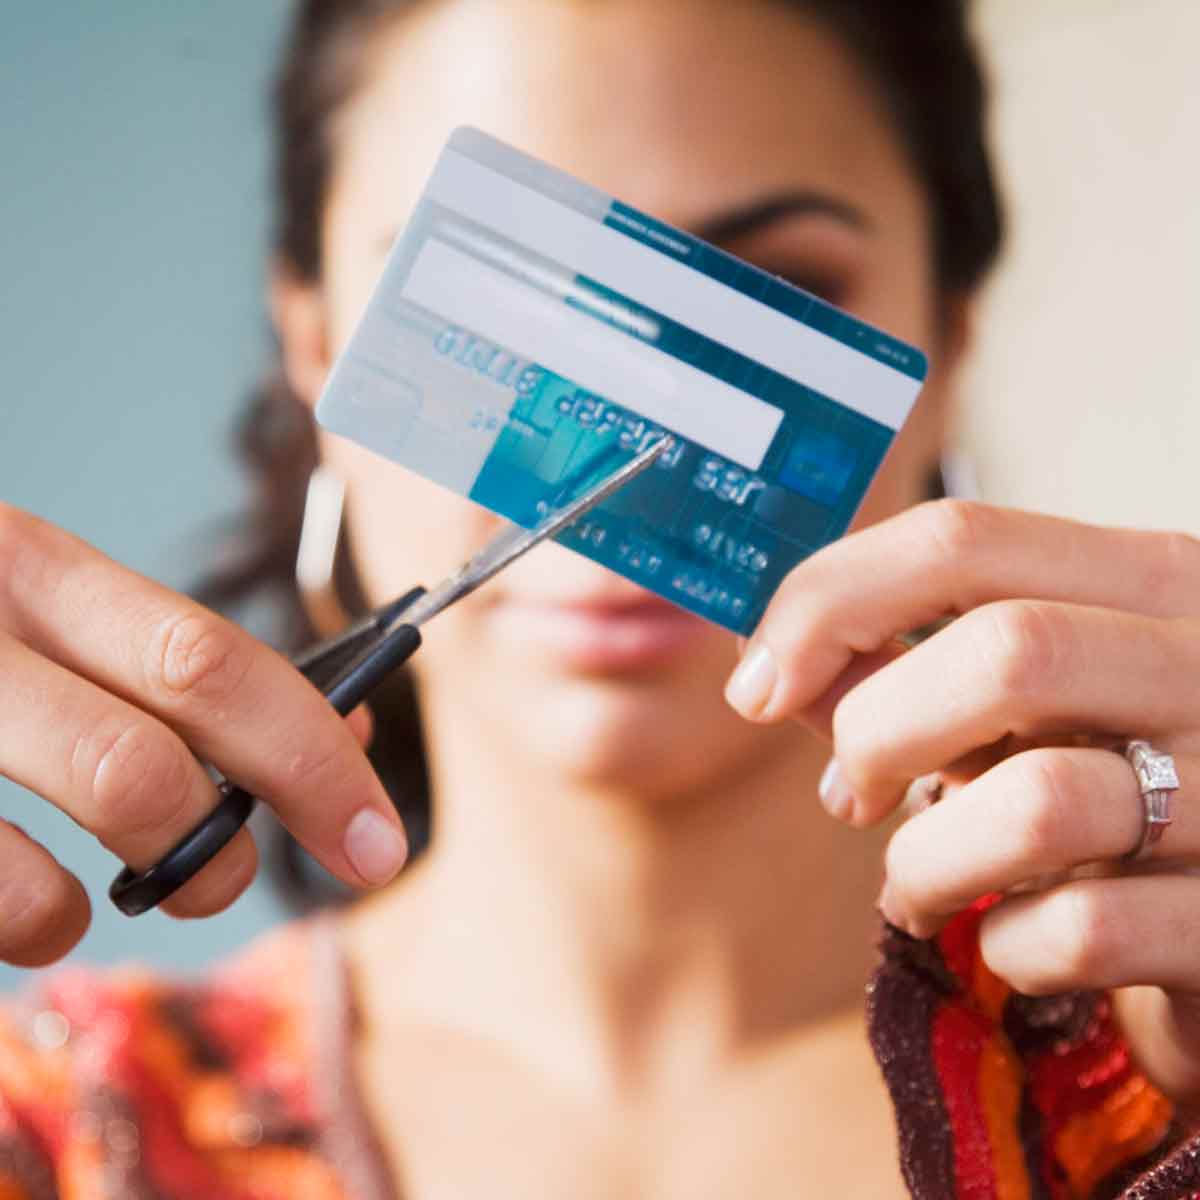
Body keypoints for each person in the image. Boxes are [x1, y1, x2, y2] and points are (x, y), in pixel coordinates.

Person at [2, 1, 1199, 1195]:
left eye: (777, 289)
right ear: (312, 343)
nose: (636, 466)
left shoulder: (1166, 1072)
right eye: (499, 301)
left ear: (948, 344)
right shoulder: (47, 1135)